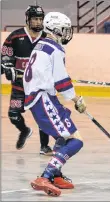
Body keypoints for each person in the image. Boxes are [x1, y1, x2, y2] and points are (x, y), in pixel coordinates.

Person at [23, 11, 87, 197]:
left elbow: (50, 76)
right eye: (65, 30)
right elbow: (62, 83)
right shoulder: (55, 49)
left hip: (41, 97)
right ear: (56, 29)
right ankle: (46, 176)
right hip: (43, 98)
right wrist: (77, 100)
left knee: (65, 136)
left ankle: (55, 174)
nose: (67, 34)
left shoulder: (41, 45)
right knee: (76, 140)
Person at [1, 5, 53, 155]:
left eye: (40, 19)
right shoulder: (15, 37)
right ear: (28, 20)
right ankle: (24, 131)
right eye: (35, 19)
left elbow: (53, 60)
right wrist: (7, 66)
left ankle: (44, 146)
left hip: (38, 87)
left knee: (42, 117)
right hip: (19, 86)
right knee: (13, 115)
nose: (38, 22)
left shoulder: (47, 38)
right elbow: (5, 56)